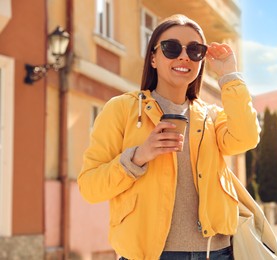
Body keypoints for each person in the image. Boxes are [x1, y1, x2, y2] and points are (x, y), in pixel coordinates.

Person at [78, 14, 260, 260]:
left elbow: (247, 138)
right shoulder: (121, 109)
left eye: (195, 50)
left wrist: (230, 77)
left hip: (216, 253)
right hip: (150, 255)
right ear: (153, 57)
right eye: (171, 48)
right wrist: (138, 156)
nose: (184, 56)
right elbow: (90, 187)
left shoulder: (212, 116)